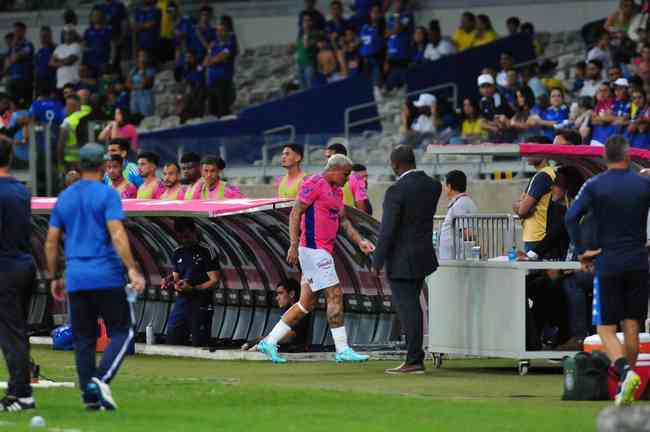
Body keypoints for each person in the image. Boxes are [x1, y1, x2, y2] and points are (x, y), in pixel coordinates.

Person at [45, 143, 145, 411]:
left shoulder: (64, 197)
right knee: (122, 332)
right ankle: (101, 380)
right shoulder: (107, 195)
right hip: (107, 275)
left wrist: (55, 276)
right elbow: (118, 233)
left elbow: (51, 242)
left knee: (84, 338)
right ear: (102, 166)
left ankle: (89, 396)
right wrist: (133, 268)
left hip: (76, 277)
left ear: (78, 166)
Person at [257, 154, 375, 363]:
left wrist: (360, 242)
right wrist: (293, 244)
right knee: (335, 295)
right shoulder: (313, 183)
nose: (348, 179)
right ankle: (342, 349)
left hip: (321, 251)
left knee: (305, 304)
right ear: (335, 169)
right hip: (313, 250)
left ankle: (269, 341)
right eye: (346, 174)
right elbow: (295, 212)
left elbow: (344, 222)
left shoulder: (337, 191)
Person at [565, 135, 649, 406]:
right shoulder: (643, 183)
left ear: (605, 158)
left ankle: (625, 372)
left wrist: (581, 250)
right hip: (639, 259)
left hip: (609, 260)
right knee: (633, 323)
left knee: (606, 328)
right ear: (627, 156)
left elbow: (570, 216)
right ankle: (628, 384)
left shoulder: (594, 185)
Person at [373, 145, 441, 374]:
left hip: (402, 259)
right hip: (423, 256)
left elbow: (387, 230)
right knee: (415, 306)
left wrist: (377, 260)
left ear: (396, 165)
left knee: (408, 308)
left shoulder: (396, 191)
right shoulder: (433, 186)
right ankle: (415, 357)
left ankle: (413, 360)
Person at [0, 139, 36, 412]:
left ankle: (22, 394)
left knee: (11, 334)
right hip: (23, 264)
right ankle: (18, 389)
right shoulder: (21, 191)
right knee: (17, 332)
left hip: (5, 268)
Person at [166, 219, 220, 347]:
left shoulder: (207, 251)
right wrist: (169, 282)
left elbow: (215, 281)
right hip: (182, 302)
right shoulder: (177, 252)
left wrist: (194, 288)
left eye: (187, 236)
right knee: (173, 336)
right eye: (181, 237)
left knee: (199, 341)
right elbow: (176, 277)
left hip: (201, 301)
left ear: (194, 232)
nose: (184, 240)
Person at [513, 136, 556, 252]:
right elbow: (523, 206)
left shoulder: (542, 176)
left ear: (543, 151)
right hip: (539, 235)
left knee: (535, 270)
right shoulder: (548, 173)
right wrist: (521, 205)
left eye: (531, 148)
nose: (528, 152)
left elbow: (522, 210)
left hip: (537, 237)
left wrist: (519, 206)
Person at [242, 279, 310, 351]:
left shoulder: (301, 312)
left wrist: (263, 341)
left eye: (281, 293)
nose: (277, 298)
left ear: (291, 294)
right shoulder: (286, 310)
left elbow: (290, 336)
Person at [438, 170, 478, 260]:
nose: (444, 189)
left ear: (449, 186)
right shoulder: (464, 201)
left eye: (445, 186)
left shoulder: (460, 204)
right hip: (454, 257)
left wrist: (480, 246)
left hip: (456, 258)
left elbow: (466, 232)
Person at [324, 143, 368, 212]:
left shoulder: (356, 179)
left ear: (340, 157)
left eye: (330, 157)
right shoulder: (324, 179)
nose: (327, 160)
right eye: (327, 157)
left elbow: (361, 206)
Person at [204, 23, 236, 118]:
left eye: (221, 30)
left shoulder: (230, 45)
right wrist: (210, 53)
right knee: (212, 113)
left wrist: (212, 60)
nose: (219, 33)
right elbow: (205, 62)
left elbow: (219, 58)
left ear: (226, 32)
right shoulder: (213, 46)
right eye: (217, 30)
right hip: (211, 83)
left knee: (223, 112)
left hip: (223, 83)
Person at [5, 22, 34, 108]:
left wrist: (13, 48)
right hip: (13, 80)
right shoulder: (12, 48)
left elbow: (15, 58)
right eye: (15, 31)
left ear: (24, 31)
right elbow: (7, 64)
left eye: (18, 31)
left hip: (25, 80)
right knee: (13, 105)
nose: (16, 33)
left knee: (25, 104)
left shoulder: (28, 45)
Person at [127, 50, 155, 117]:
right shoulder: (133, 70)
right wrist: (136, 87)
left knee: (145, 117)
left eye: (144, 56)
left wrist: (142, 70)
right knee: (135, 117)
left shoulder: (151, 70)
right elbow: (128, 83)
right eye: (140, 56)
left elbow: (146, 84)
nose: (142, 58)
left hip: (146, 97)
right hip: (135, 96)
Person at [296, 15, 318, 90]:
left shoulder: (314, 34)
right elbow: (299, 48)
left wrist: (306, 34)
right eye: (304, 21)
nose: (306, 23)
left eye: (308, 20)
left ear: (311, 23)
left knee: (310, 87)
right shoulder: (300, 35)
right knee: (302, 87)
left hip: (309, 64)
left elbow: (306, 45)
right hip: (300, 64)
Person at [34, 26, 57, 98]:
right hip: (40, 86)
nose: (44, 38)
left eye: (46, 36)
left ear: (50, 36)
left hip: (52, 86)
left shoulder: (56, 49)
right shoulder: (39, 52)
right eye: (42, 36)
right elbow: (36, 69)